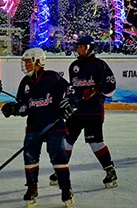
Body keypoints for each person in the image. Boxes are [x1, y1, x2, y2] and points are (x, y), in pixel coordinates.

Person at [1, 48, 74, 207]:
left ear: (38, 62)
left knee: (57, 154)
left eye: (29, 62)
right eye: (25, 62)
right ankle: (32, 188)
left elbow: (71, 90)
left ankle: (65, 189)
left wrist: (69, 102)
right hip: (34, 124)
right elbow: (25, 107)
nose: (26, 65)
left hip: (54, 123)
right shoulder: (25, 83)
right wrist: (14, 109)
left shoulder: (52, 77)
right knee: (30, 154)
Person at [50, 34, 118, 189]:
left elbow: (111, 86)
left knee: (95, 143)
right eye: (77, 47)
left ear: (89, 48)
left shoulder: (100, 65)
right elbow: (73, 89)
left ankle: (110, 171)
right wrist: (69, 100)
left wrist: (95, 89)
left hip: (93, 112)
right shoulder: (73, 66)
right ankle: (60, 171)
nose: (78, 49)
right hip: (76, 112)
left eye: (81, 47)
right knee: (66, 141)